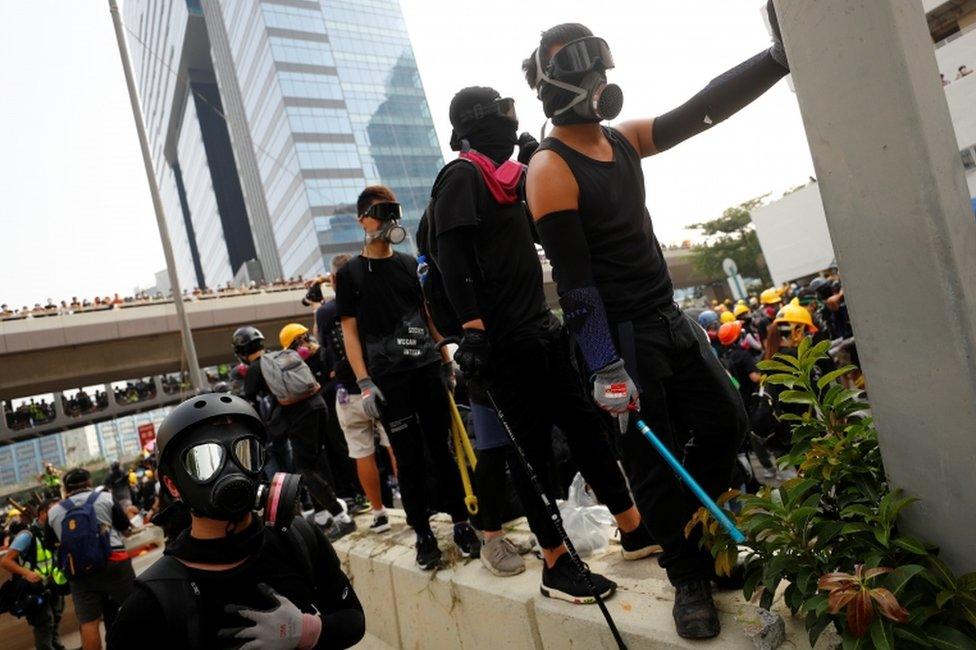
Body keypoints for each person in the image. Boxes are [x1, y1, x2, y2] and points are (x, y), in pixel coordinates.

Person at [521, 10, 788, 637]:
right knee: (650, 459)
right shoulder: (550, 168)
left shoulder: (620, 139)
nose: (592, 72)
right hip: (622, 338)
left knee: (726, 421)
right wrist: (603, 363)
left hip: (669, 317)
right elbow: (576, 284)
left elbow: (701, 110)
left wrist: (776, 59)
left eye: (595, 60)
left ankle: (698, 527)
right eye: (573, 61)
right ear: (548, 82)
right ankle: (687, 574)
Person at [425, 85, 657, 592]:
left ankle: (634, 528)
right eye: (502, 116)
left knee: (585, 430)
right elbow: (453, 259)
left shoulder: (511, 179)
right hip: (501, 345)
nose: (512, 124)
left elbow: (541, 233)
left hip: (541, 331)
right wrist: (473, 332)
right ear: (477, 124)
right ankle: (556, 561)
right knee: (529, 455)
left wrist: (536, 165)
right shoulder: (462, 177)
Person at [107, 394, 365, 649]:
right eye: (205, 461)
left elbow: (353, 618)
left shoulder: (298, 539)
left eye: (246, 452)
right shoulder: (152, 600)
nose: (233, 470)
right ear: (173, 485)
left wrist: (307, 631)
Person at [335, 184, 480, 569]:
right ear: (363, 219)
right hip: (389, 380)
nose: (388, 219)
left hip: (426, 369)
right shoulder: (349, 273)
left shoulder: (405, 264)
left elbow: (425, 313)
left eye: (392, 211)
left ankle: (462, 523)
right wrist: (364, 381)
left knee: (441, 449)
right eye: (380, 212)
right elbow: (350, 333)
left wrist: (445, 356)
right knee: (407, 457)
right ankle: (423, 534)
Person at [236, 325, 356, 541]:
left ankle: (341, 518)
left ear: (242, 352)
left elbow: (250, 406)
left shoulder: (255, 369)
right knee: (317, 461)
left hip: (301, 416)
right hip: (318, 406)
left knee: (304, 469)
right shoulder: (280, 356)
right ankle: (321, 517)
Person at [316, 254, 398, 534]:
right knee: (395, 444)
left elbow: (324, 350)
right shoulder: (371, 298)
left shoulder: (326, 312)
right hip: (381, 383)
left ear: (333, 279)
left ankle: (378, 513)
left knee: (362, 452)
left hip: (348, 394)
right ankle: (413, 505)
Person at [279, 321, 368, 514]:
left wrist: (317, 390)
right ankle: (343, 495)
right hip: (316, 417)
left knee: (343, 450)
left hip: (336, 409)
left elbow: (336, 379)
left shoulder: (325, 354)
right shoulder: (298, 366)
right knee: (326, 459)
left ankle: (360, 493)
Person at [48, 468, 135, 650]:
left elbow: (52, 545)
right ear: (88, 483)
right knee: (135, 608)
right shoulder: (105, 497)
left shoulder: (54, 512)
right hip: (114, 562)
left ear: (66, 488)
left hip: (78, 572)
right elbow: (126, 529)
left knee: (89, 622)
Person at [0, 499, 68, 650]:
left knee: (56, 617)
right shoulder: (27, 535)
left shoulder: (54, 530)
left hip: (52, 583)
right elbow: (6, 561)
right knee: (44, 623)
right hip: (35, 588)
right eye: (53, 511)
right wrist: (27, 573)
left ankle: (58, 647)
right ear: (43, 513)